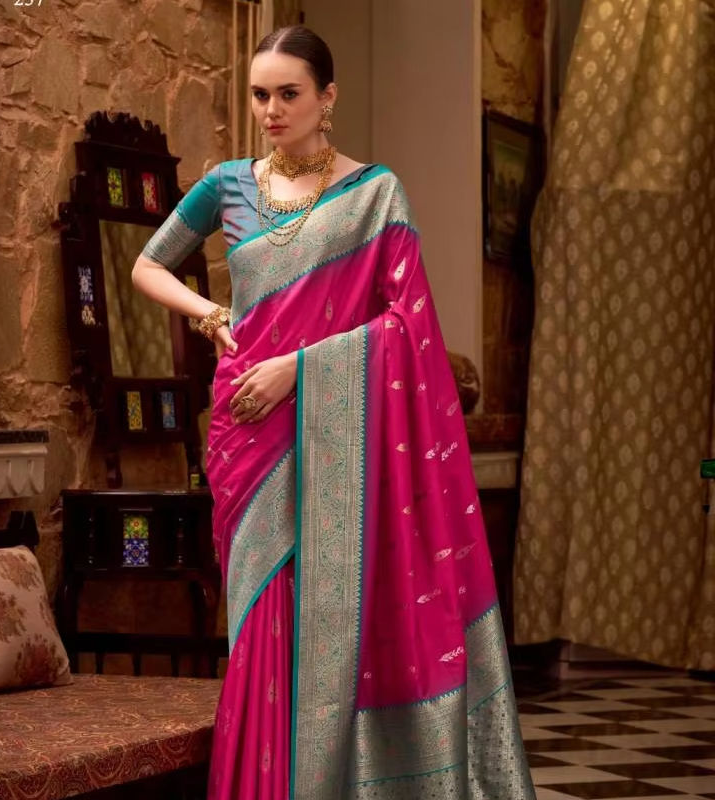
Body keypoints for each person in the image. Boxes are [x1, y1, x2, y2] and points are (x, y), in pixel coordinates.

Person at [132, 24, 535, 800]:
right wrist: (210, 315)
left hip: (331, 427)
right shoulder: (228, 186)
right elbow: (149, 264)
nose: (272, 110)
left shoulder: (375, 195)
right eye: (260, 95)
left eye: (289, 94)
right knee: (260, 621)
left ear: (328, 98)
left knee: (335, 614)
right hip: (248, 429)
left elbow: (408, 325)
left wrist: (302, 370)